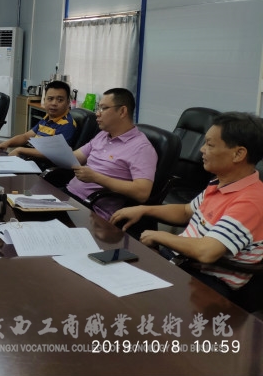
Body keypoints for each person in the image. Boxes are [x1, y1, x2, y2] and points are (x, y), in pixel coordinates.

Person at [111, 112, 263, 297]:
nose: (202, 149)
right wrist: (143, 209)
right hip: (182, 262)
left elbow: (207, 252)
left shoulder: (251, 201)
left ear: (238, 154)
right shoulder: (221, 182)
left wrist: (160, 236)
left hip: (206, 284)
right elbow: (185, 211)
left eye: (210, 144)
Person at [66, 88, 157, 220]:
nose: (97, 113)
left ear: (122, 111)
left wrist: (96, 177)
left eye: (103, 108)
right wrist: (54, 151)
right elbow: (76, 157)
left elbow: (142, 193)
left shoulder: (142, 148)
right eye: (98, 108)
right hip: (69, 194)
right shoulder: (103, 135)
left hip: (92, 210)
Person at [0, 80, 76, 158]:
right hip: (31, 158)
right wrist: (6, 143)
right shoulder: (47, 118)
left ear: (68, 102)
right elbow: (26, 137)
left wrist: (20, 150)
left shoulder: (67, 124)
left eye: (60, 100)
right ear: (44, 100)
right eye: (50, 99)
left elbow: (54, 153)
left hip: (43, 164)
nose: (54, 103)